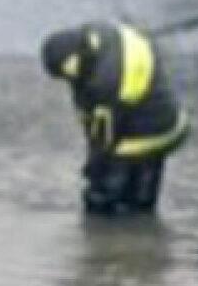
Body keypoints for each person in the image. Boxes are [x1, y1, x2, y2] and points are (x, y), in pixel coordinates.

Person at [40, 21, 190, 216]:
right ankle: (142, 227)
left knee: (106, 195)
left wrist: (94, 170)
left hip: (148, 134)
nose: (67, 80)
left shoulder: (106, 81)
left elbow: (106, 139)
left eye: (66, 73)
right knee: (141, 201)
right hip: (166, 121)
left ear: (74, 57)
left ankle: (111, 235)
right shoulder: (97, 36)